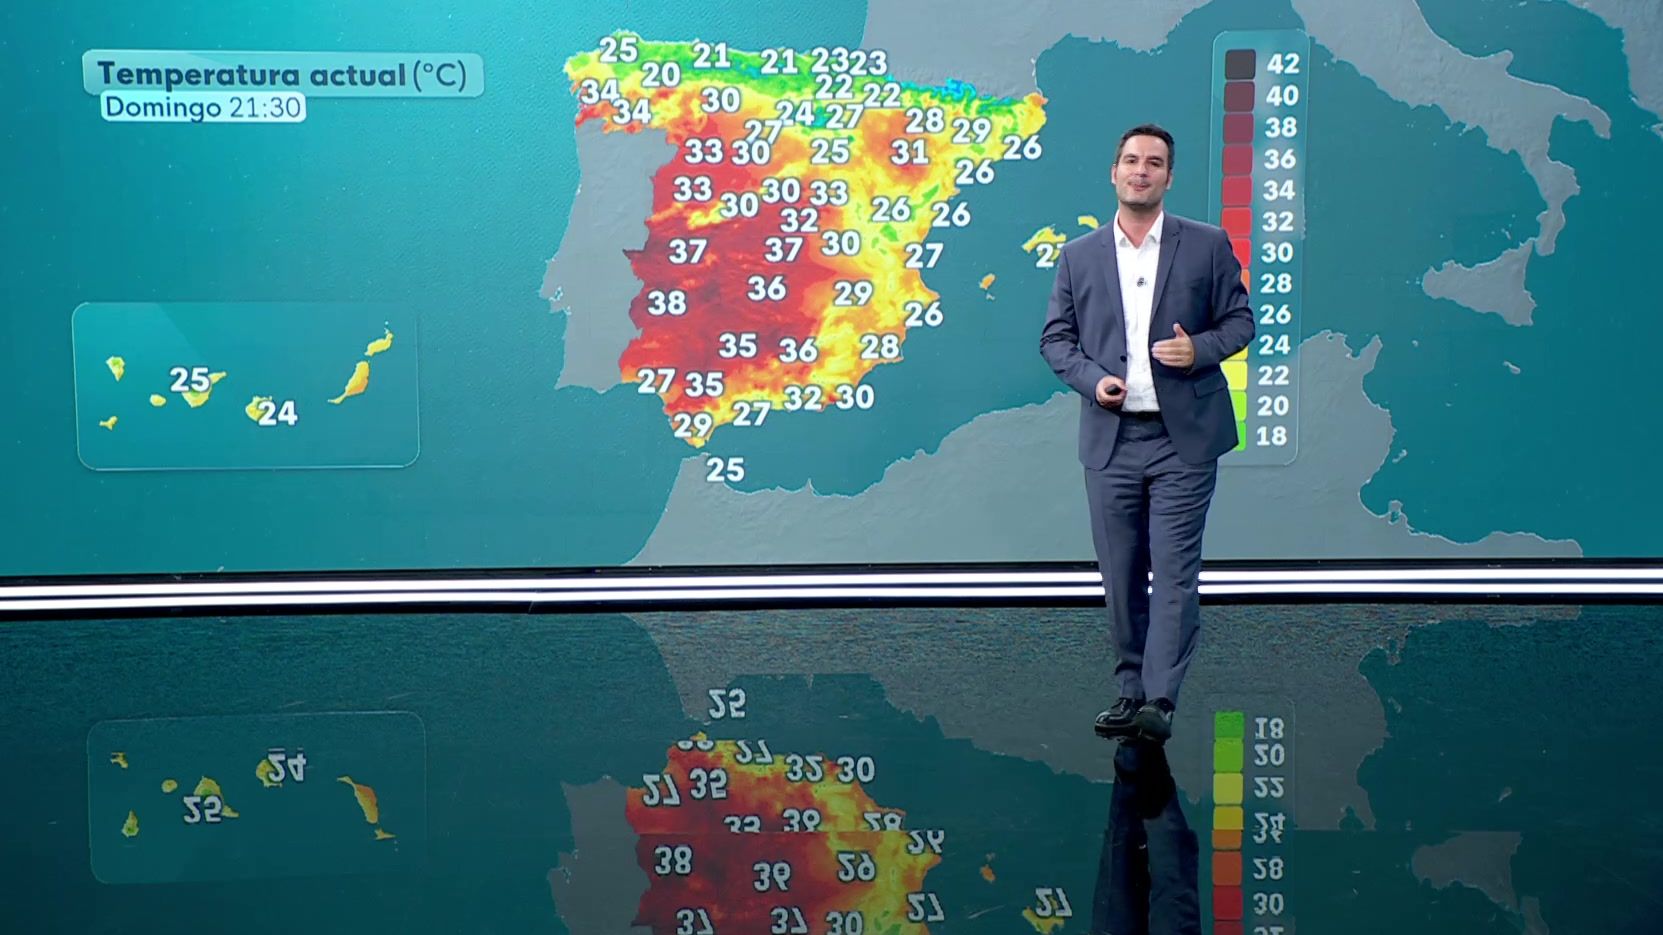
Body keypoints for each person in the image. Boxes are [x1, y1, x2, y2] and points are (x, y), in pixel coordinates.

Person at [1039, 123, 1253, 742]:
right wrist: (1093, 380)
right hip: (1112, 440)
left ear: (1168, 177)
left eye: (1154, 162)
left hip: (1183, 438)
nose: (1141, 170)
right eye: (1131, 160)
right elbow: (1056, 340)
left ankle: (1161, 698)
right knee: (1121, 572)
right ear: (1114, 173)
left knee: (1175, 569)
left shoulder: (1207, 245)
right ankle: (1130, 689)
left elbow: (1240, 321)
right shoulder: (1078, 256)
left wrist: (1199, 350)